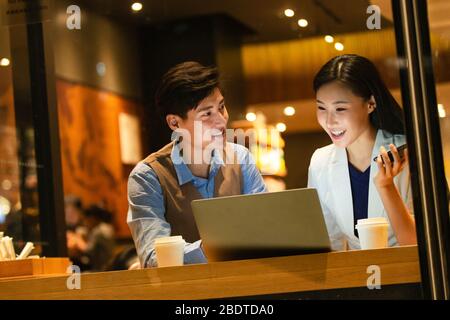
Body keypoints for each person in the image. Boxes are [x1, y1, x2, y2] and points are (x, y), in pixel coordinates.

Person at [127, 61, 267, 268]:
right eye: (206, 114)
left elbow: (267, 229)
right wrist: (216, 247)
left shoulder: (241, 158)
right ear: (175, 123)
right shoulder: (148, 176)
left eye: (221, 107)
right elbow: (152, 259)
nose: (221, 121)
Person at [307, 54, 417, 251]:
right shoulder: (320, 162)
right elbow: (329, 243)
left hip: (409, 275)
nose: (329, 121)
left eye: (340, 109)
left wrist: (385, 186)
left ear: (370, 104)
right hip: (356, 277)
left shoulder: (408, 152)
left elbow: (417, 243)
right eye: (321, 108)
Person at [67, 204, 115, 271]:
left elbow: (88, 251)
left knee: (73, 268)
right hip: (107, 266)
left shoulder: (99, 231)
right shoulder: (105, 227)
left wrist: (78, 240)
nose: (84, 223)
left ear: (92, 218)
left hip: (102, 269)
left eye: (85, 220)